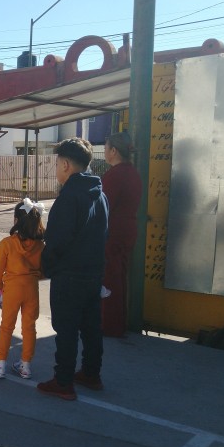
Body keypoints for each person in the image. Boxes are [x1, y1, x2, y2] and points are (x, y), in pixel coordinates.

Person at [37, 138, 108, 400]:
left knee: (66, 330)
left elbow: (56, 242)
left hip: (69, 276)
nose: (56, 169)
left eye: (57, 163)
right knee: (91, 328)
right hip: (93, 273)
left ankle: (63, 381)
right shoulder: (99, 194)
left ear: (66, 165)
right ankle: (91, 373)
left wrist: (46, 267)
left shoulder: (69, 197)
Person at [0, 199, 45, 380]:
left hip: (11, 289)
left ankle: (0, 364)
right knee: (29, 327)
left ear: (16, 220)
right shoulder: (40, 245)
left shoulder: (7, 243)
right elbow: (43, 271)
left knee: (6, 327)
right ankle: (25, 365)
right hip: (32, 289)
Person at [101, 132, 142, 338]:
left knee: (109, 280)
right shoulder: (132, 172)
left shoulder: (115, 175)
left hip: (114, 232)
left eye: (106, 148)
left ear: (113, 151)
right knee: (119, 278)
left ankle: (109, 325)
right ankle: (117, 323)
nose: (105, 152)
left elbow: (104, 206)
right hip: (127, 229)